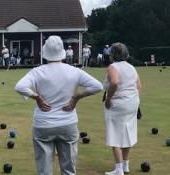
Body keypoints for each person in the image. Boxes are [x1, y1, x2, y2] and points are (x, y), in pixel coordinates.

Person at [15, 35, 103, 175]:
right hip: (68, 123)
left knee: (44, 171)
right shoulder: (74, 71)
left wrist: (37, 97)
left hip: (43, 124)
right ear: (62, 52)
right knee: (69, 171)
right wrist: (77, 97)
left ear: (45, 53)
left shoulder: (37, 71)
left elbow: (20, 87)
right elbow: (97, 86)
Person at [103, 43, 141, 175]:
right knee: (128, 132)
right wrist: (133, 100)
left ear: (113, 54)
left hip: (118, 104)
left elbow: (114, 82)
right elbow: (139, 86)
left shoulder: (113, 67)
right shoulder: (131, 67)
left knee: (115, 134)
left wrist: (108, 99)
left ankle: (119, 169)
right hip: (132, 103)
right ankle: (125, 166)